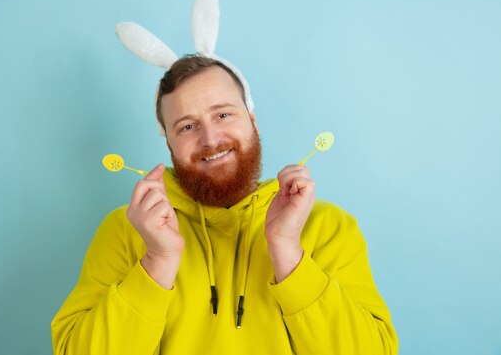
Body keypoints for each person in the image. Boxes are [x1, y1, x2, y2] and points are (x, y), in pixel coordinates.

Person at [51, 55, 399, 354]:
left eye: (223, 115)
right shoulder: (125, 230)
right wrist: (157, 261)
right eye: (187, 126)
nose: (210, 139)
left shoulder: (329, 226)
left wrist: (288, 252)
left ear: (253, 122)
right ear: (170, 147)